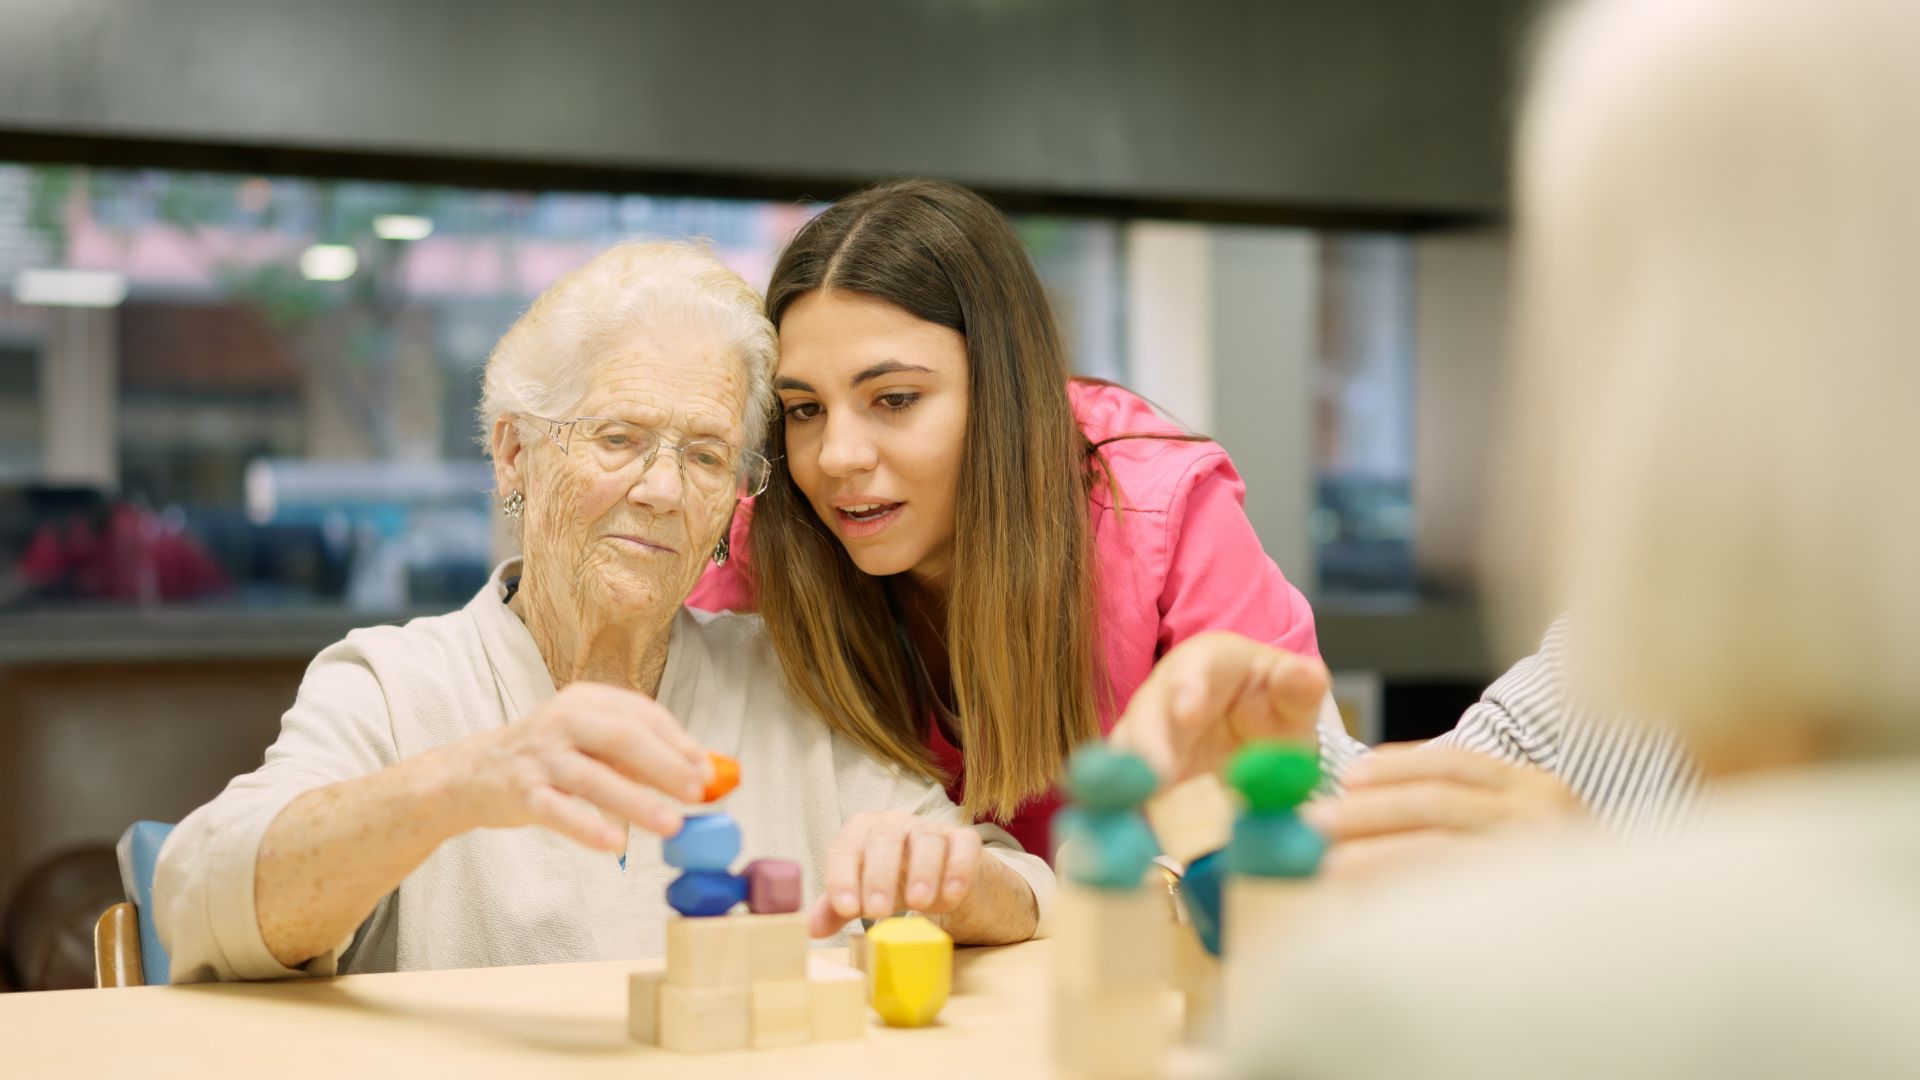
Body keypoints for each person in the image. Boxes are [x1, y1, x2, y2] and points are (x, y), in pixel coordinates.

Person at [1232, 0, 1920, 1073]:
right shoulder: (1618, 653)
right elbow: (1415, 805)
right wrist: (1272, 751)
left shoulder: (1402, 1019)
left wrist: (1610, 887)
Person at [154, 241, 1053, 983]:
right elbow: (203, 902)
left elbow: (1014, 883)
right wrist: (465, 781)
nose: (662, 489)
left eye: (705, 455)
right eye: (619, 439)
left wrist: (965, 885)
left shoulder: (790, 678)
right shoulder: (394, 683)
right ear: (513, 454)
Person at [686, 179, 1333, 889]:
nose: (838, 455)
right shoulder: (770, 537)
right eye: (804, 409)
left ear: (1002, 389)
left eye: (894, 400)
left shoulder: (1159, 513)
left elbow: (1293, 808)